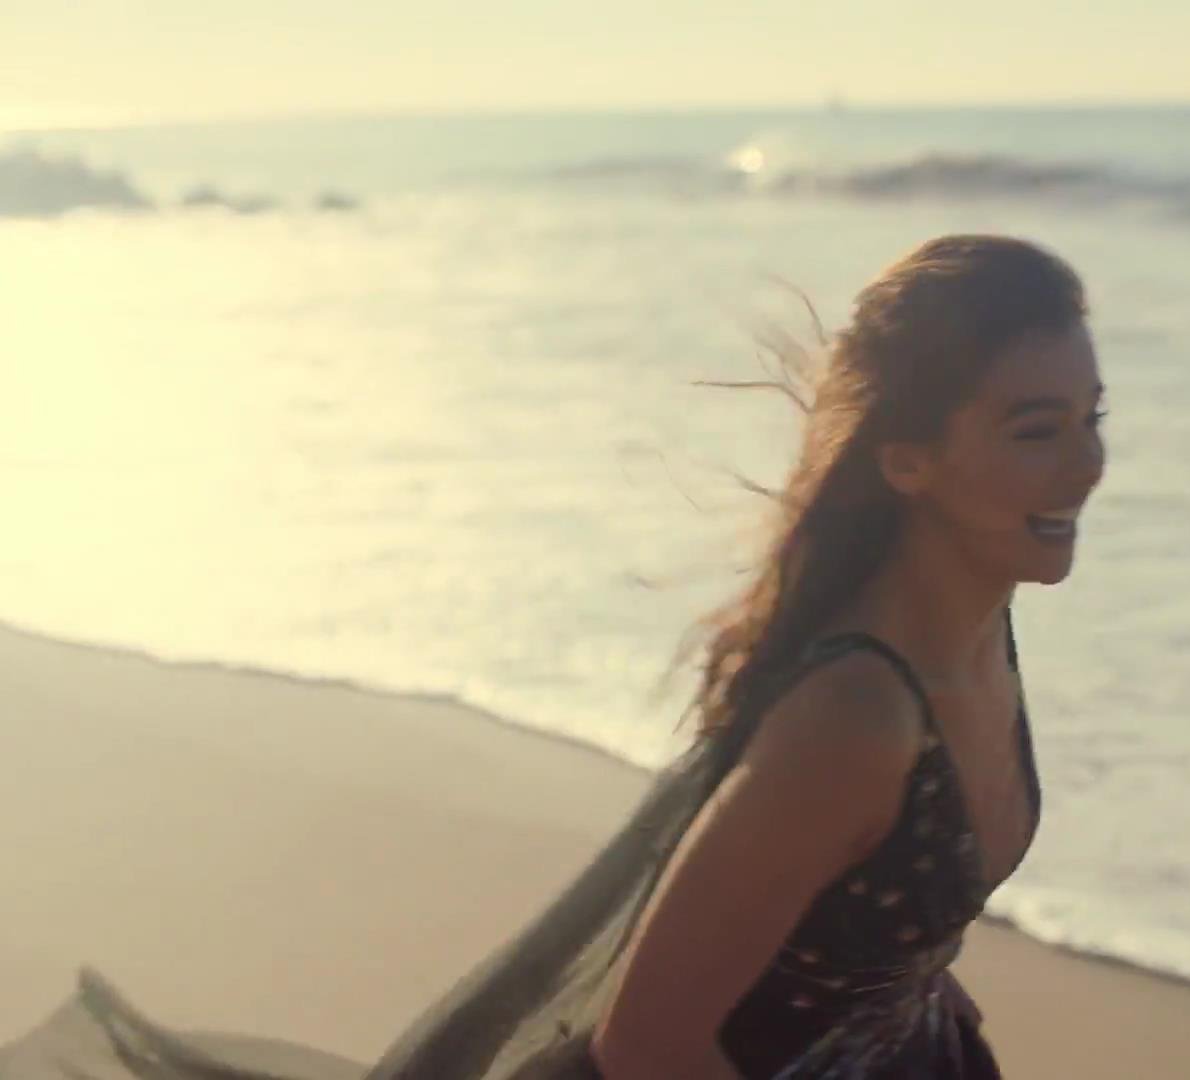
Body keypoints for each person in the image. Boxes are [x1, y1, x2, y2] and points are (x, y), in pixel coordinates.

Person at [3, 233, 1106, 1079]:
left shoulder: (977, 633)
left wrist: (911, 999)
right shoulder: (856, 720)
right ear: (908, 461)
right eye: (1035, 430)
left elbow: (859, 928)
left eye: (1090, 418)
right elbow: (648, 1047)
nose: (1086, 466)